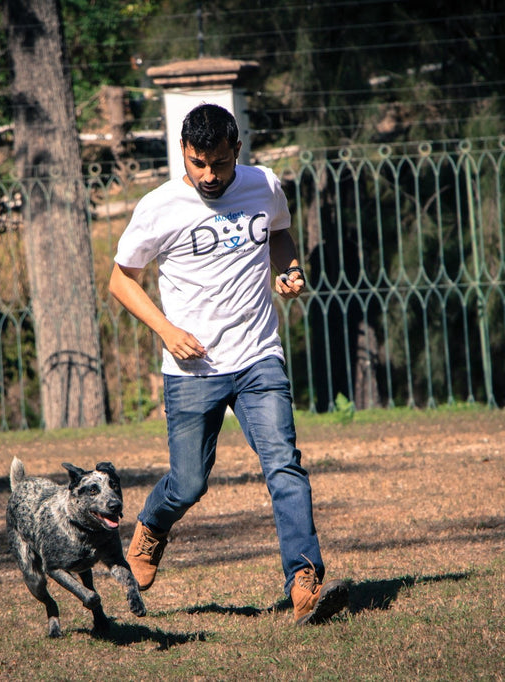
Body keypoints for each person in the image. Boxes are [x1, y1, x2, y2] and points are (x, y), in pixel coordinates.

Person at [108, 103, 348, 625]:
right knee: (189, 482)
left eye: (219, 162)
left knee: (283, 464)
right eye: (198, 163)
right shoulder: (159, 207)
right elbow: (120, 280)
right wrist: (167, 332)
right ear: (183, 154)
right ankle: (152, 525)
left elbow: (278, 234)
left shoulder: (263, 184)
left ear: (236, 150)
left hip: (259, 354)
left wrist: (287, 268)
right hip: (193, 370)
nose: (209, 175)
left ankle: (304, 578)